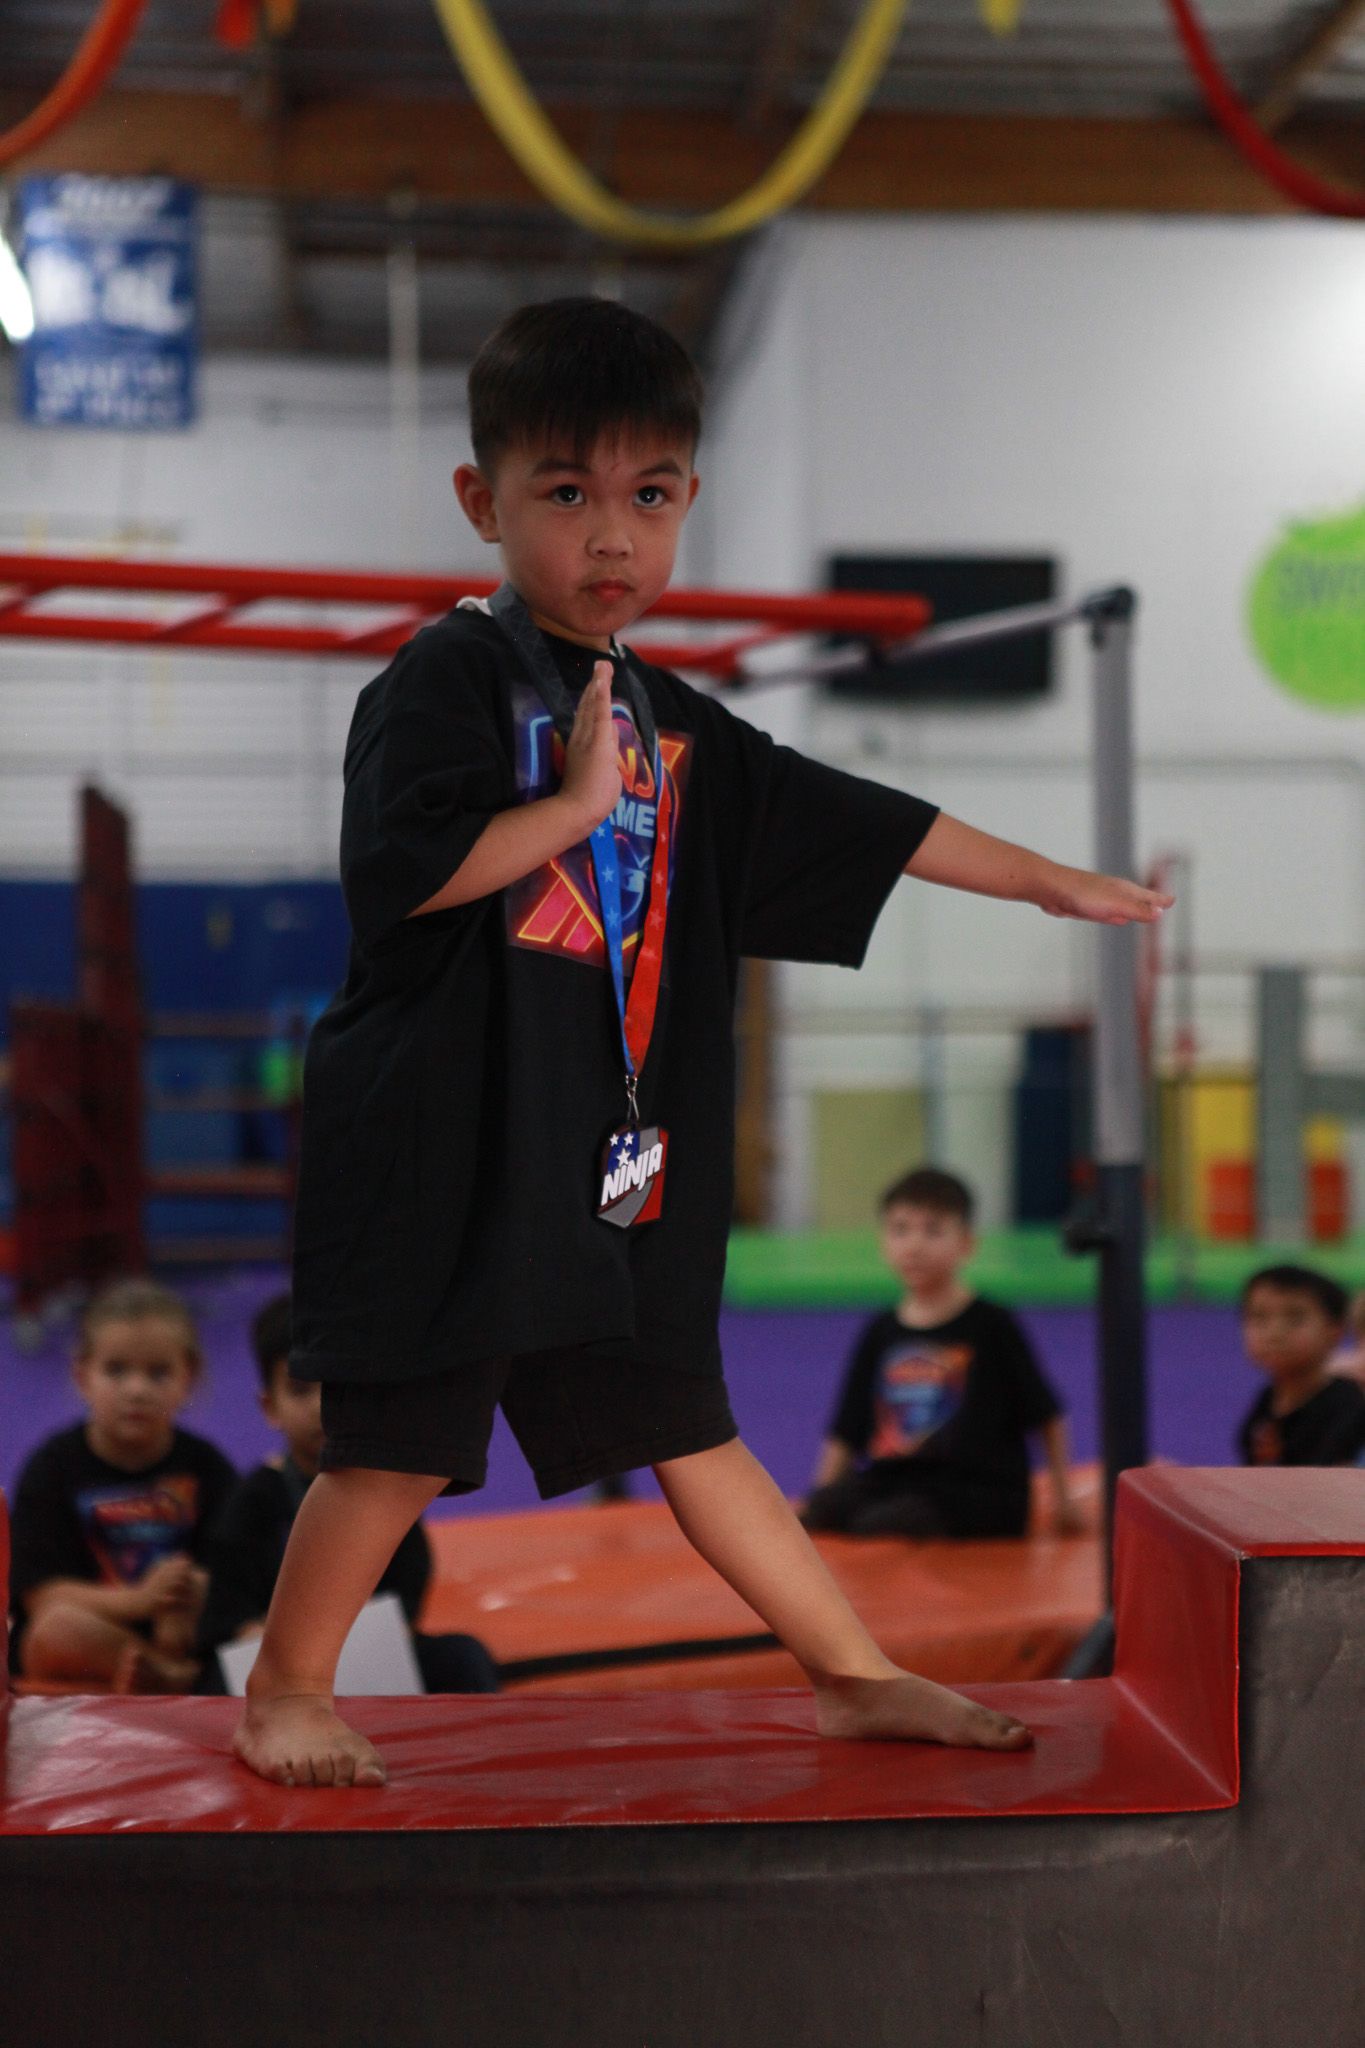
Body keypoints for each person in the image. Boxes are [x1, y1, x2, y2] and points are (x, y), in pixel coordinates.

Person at [233, 296, 1170, 1789]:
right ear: (483, 502)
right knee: (399, 1440)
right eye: (567, 495)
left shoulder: (674, 716)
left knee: (687, 1414)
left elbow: (854, 816)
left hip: (606, 1141)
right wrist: (563, 812)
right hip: (451, 1138)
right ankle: (286, 1684)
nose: (614, 537)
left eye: (651, 498)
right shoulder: (444, 679)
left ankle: (852, 1675)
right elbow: (404, 873)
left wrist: (1049, 879)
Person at [200, 1294, 498, 1693]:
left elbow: (407, 1583)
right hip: (276, 1669)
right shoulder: (254, 1500)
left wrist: (383, 1632)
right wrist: (260, 1635)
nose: (322, 1405)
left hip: (372, 1654)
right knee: (215, 1683)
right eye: (301, 1389)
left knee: (463, 1657)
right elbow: (227, 1610)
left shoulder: (380, 1484)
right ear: (270, 1407)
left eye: (338, 1388)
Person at [801, 1169, 1082, 1542]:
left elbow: (1047, 1417)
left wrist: (1063, 1499)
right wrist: (821, 1498)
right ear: (883, 1240)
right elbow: (846, 1429)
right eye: (900, 1230)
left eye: (932, 1230)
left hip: (978, 1492)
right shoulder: (882, 1330)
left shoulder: (992, 1325)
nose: (914, 1245)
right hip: (901, 1478)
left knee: (888, 1524)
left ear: (966, 1244)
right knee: (823, 1512)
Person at [8, 1279, 235, 1692]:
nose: (136, 1390)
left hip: (183, 1639)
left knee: (260, 1624)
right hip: (97, 1639)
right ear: (82, 1375)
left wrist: (187, 1596)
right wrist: (141, 1601)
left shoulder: (209, 1468)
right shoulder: (52, 1468)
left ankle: (167, 1674)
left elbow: (234, 1570)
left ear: (190, 1375)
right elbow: (41, 1596)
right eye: (116, 1370)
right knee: (54, 1630)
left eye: (158, 1372)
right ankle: (165, 1678)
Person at [1236, 1264, 1365, 1467]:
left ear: (1334, 1331)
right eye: (1260, 1317)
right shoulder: (1268, 1398)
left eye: (1295, 1318)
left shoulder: (1347, 1403)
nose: (1274, 1333)